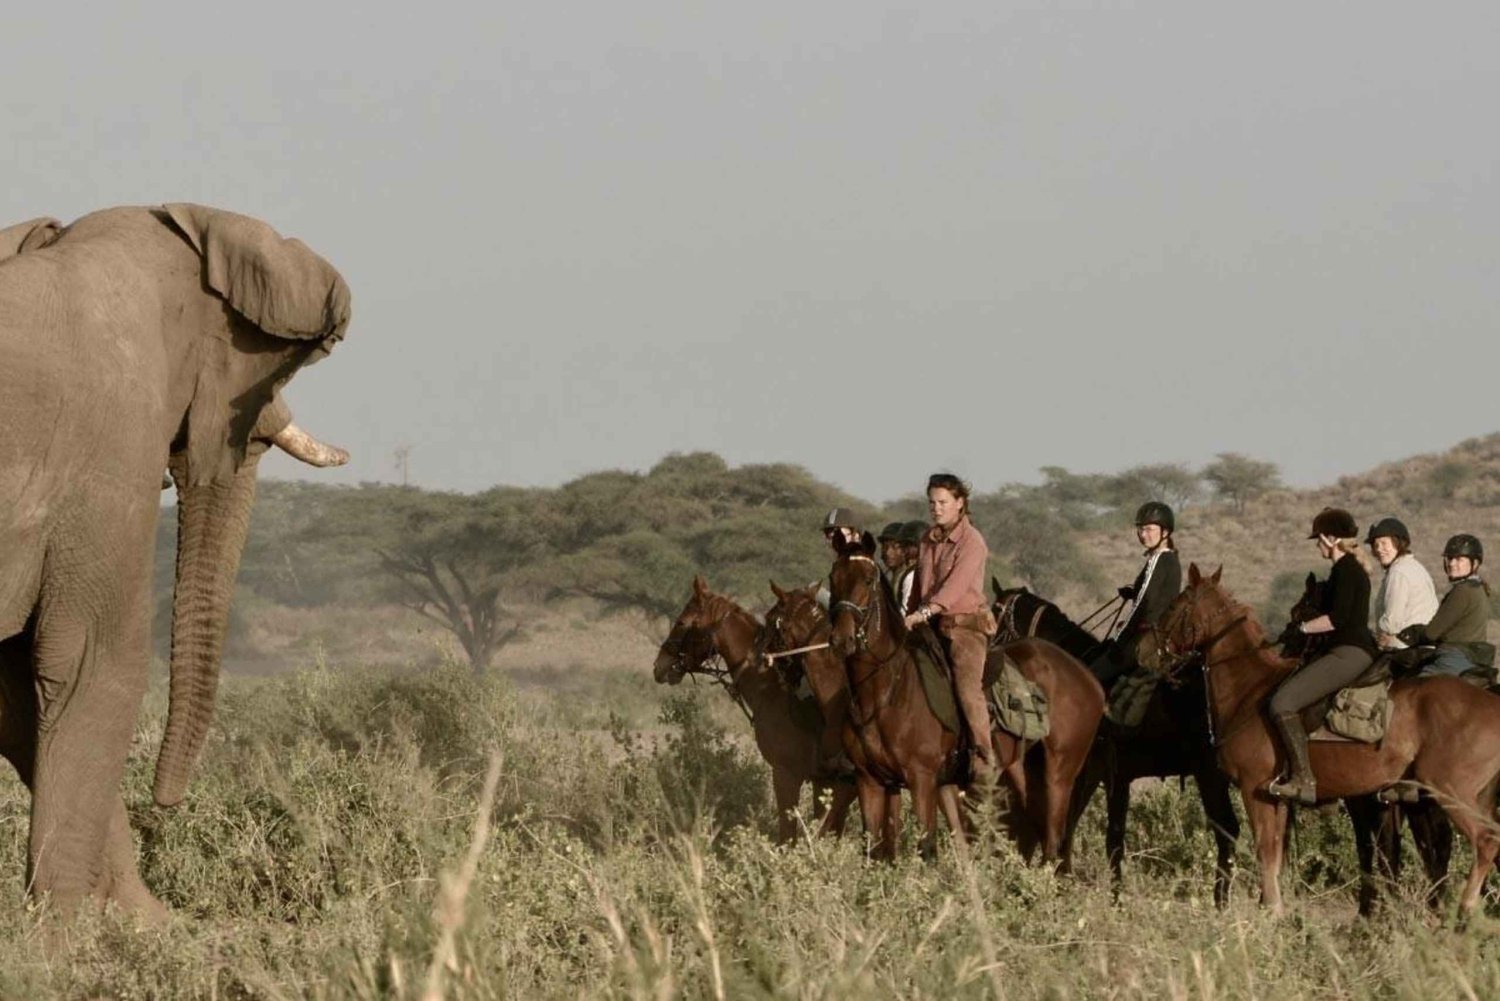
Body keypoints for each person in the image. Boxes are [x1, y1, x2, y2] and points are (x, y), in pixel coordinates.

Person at [1266, 508, 1378, 804]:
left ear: (1331, 539)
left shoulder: (1345, 570)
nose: (1317, 545)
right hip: (1353, 650)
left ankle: (1304, 779)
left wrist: (1301, 629)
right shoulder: (1349, 569)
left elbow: (1337, 619)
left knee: (1282, 702)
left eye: (1319, 540)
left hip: (1348, 652)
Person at [902, 473, 998, 778]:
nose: (936, 508)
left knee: (968, 689)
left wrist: (925, 612)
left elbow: (954, 588)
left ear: (960, 503)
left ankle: (984, 757)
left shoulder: (973, 542)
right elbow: (920, 585)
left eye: (943, 502)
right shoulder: (926, 539)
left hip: (964, 627)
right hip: (927, 624)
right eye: (932, 503)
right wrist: (907, 616)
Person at [1089, 501, 1182, 687]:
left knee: (1092, 675)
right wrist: (1133, 592)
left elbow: (1143, 602)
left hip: (1145, 638)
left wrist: (1120, 639)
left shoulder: (1159, 559)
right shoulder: (1170, 559)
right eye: (1140, 529)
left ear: (1165, 532)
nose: (1143, 534)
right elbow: (1157, 595)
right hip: (1158, 637)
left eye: (1149, 529)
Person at [1397, 534, 1494, 679]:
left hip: (1453, 657)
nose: (1452, 563)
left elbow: (1431, 633)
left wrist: (1413, 633)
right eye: (1450, 558)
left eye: (1459, 559)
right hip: (1474, 659)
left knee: (1414, 685)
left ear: (1474, 563)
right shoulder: (1479, 588)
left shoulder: (1462, 590)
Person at [1366, 517, 1438, 650]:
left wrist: (1379, 638)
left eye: (1384, 543)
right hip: (1421, 644)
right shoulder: (1413, 567)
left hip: (1406, 648)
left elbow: (1392, 622)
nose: (1379, 549)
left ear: (1398, 543)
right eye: (1376, 545)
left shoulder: (1399, 572)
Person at [877, 521, 919, 612]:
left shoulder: (910, 576)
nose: (888, 553)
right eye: (885, 547)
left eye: (895, 547)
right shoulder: (885, 575)